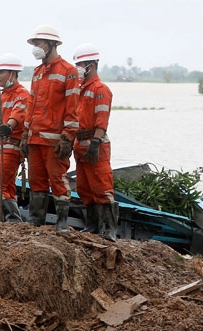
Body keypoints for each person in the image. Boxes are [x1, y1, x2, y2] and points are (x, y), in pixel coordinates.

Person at [20, 25, 79, 232]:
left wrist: (67, 137)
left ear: (52, 44)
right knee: (37, 181)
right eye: (34, 44)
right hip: (35, 138)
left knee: (58, 180)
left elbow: (73, 107)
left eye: (38, 43)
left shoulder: (68, 71)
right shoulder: (37, 73)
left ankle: (62, 222)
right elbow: (31, 105)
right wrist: (25, 135)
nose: (35, 48)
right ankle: (37, 220)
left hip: (55, 140)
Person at [71, 43, 117, 241]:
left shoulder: (100, 89)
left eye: (81, 64)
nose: (79, 68)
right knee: (84, 188)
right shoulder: (80, 90)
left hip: (94, 143)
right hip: (80, 144)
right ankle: (92, 226)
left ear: (92, 64)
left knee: (101, 186)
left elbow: (101, 119)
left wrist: (96, 142)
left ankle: (109, 229)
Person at [0, 53, 29, 222]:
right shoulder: (5, 94)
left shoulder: (22, 94)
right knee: (7, 187)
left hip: (12, 147)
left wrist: (7, 126)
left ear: (12, 73)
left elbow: (18, 114)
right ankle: (12, 220)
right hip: (2, 146)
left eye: (1, 73)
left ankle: (12, 218)